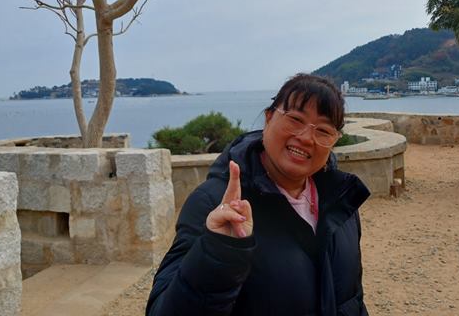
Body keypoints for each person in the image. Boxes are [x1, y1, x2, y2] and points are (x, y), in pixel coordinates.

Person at [146, 73, 370, 316]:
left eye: (324, 131)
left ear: (334, 141)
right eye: (295, 119)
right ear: (269, 117)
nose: (306, 138)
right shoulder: (215, 204)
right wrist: (218, 253)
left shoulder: (340, 201)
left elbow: (352, 299)